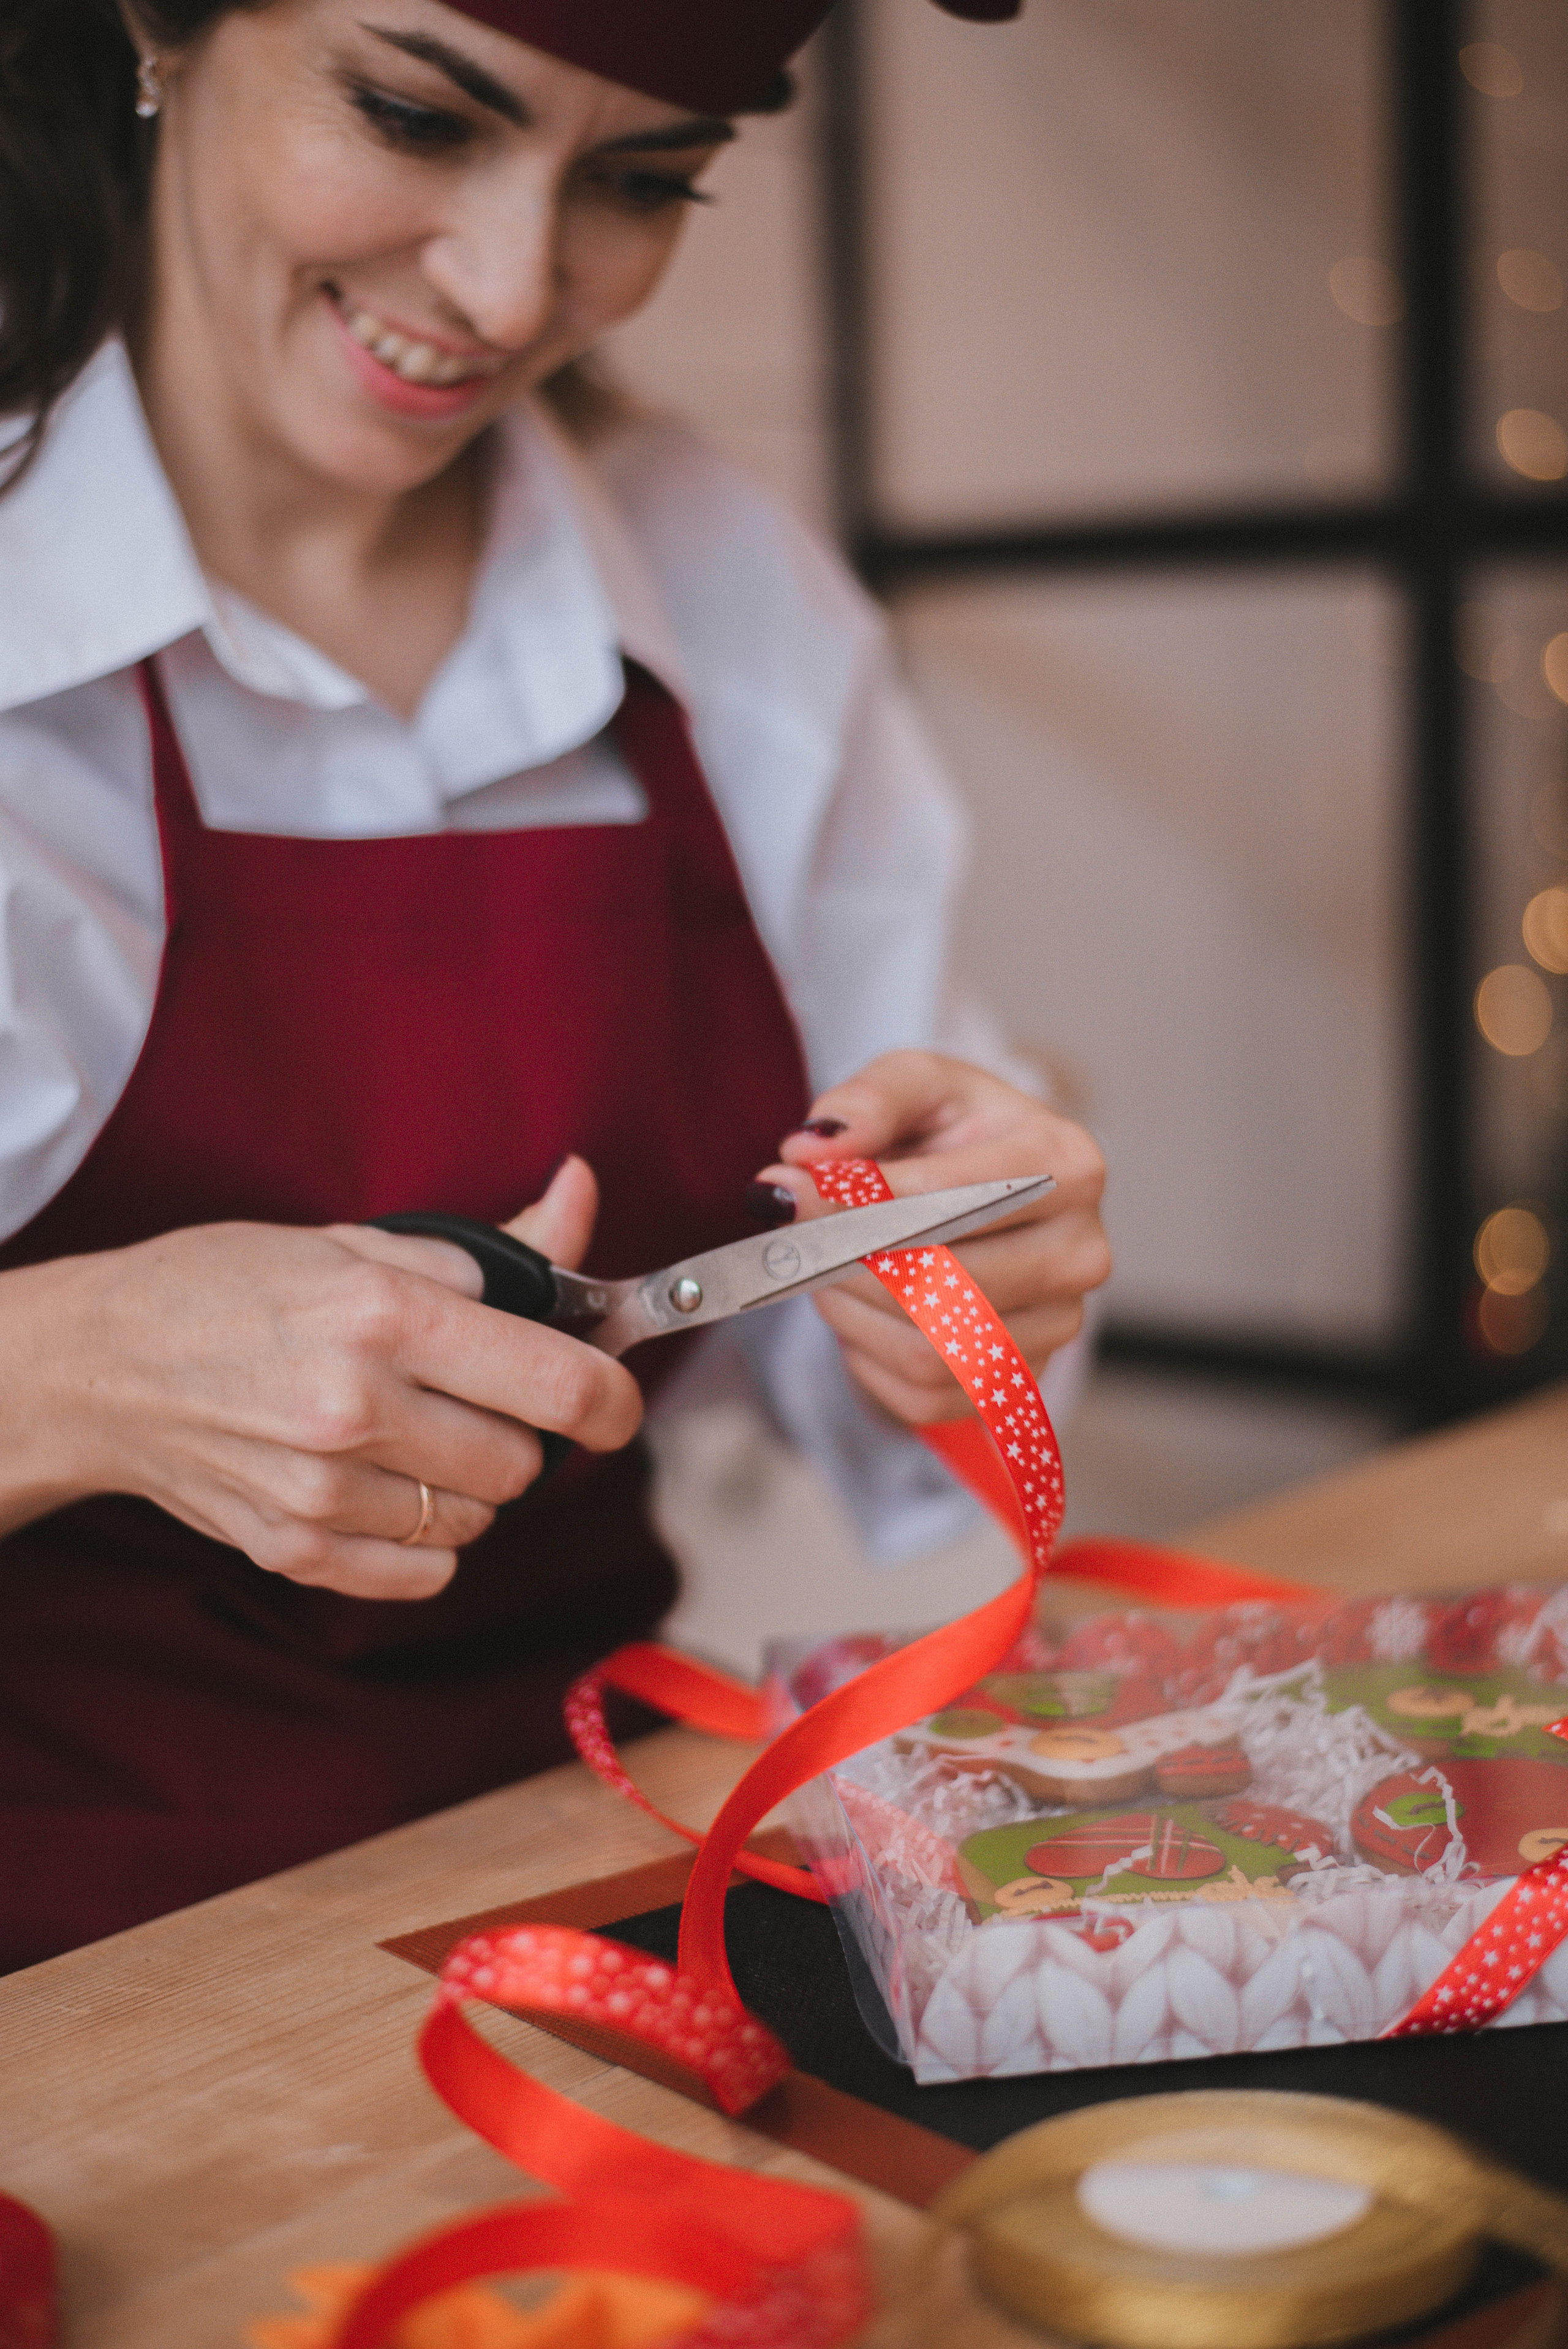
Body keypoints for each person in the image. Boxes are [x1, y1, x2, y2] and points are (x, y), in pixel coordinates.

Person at [0, 0, 1110, 1973]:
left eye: (640, 181)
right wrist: (73, 1368)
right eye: (417, 115)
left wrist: (968, 1297)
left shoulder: (727, 594)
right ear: (158, 26)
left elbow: (890, 1414)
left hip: (574, 1891)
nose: (514, 291)